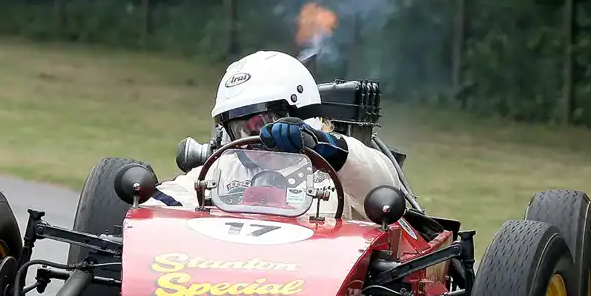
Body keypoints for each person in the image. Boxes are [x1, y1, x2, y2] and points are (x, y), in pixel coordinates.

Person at [147, 50, 402, 220]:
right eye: (242, 128)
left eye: (265, 123)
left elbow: (386, 187)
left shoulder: (335, 172)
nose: (257, 136)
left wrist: (325, 148)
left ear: (299, 111)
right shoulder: (226, 168)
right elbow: (167, 201)